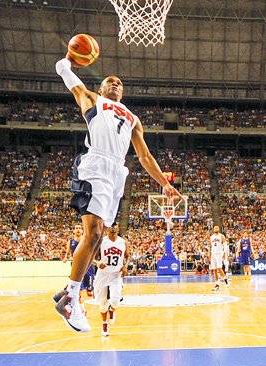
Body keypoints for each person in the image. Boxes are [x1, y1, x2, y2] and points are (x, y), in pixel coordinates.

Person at [53, 55, 184, 333]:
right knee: (94, 230)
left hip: (117, 173)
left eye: (119, 82)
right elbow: (71, 82)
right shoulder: (93, 100)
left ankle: (69, 290)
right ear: (101, 89)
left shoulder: (133, 118)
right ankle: (70, 298)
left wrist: (164, 183)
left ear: (123, 92)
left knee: (98, 234)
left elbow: (144, 155)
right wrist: (66, 61)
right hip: (96, 164)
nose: (115, 83)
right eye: (109, 81)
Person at [93, 224, 129, 336]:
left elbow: (127, 256)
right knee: (103, 304)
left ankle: (112, 310)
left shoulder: (123, 242)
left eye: (115, 225)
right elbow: (91, 257)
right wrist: (98, 263)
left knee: (115, 301)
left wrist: (125, 266)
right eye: (111, 226)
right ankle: (104, 324)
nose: (113, 227)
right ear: (106, 228)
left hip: (116, 275)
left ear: (118, 228)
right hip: (103, 274)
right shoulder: (100, 242)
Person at [53, 223, 95, 302]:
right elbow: (68, 253)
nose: (78, 229)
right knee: (77, 285)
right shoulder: (70, 241)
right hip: (76, 264)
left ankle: (65, 294)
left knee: (89, 290)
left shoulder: (86, 240)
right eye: (76, 228)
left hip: (87, 264)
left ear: (83, 230)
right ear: (74, 230)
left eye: (80, 228)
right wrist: (65, 258)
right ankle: (76, 301)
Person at [210, 225, 228, 291]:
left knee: (219, 268)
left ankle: (225, 278)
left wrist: (224, 253)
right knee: (214, 269)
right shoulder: (211, 237)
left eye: (217, 228)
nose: (216, 228)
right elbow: (210, 246)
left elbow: (225, 245)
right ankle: (217, 284)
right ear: (213, 229)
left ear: (219, 229)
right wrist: (210, 254)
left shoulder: (221, 236)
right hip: (213, 254)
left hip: (219, 253)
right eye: (215, 228)